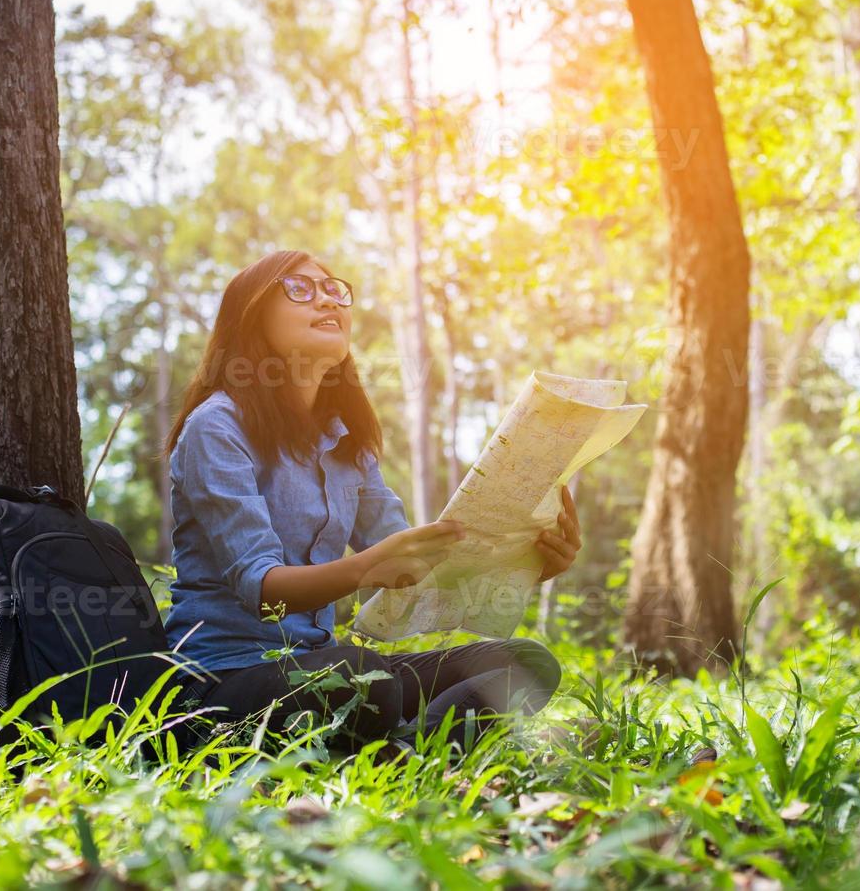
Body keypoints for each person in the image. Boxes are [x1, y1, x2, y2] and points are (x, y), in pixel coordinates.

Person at [161, 249, 577, 756]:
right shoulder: (217, 426)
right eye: (299, 288)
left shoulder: (346, 443)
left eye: (334, 289)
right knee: (366, 681)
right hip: (226, 679)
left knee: (526, 664)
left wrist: (528, 562)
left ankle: (398, 750)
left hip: (324, 667)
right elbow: (262, 589)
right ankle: (408, 748)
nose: (326, 300)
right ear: (251, 318)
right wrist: (366, 568)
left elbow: (421, 574)